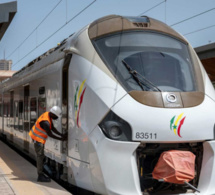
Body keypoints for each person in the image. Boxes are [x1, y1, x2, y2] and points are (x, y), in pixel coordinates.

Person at [29, 106, 67, 182]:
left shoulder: (48, 115)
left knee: (42, 156)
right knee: (40, 156)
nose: (56, 118)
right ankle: (40, 175)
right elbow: (50, 134)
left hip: (39, 139)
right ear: (53, 114)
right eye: (56, 116)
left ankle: (41, 173)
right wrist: (61, 139)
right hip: (38, 139)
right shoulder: (45, 122)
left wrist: (61, 135)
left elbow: (52, 128)